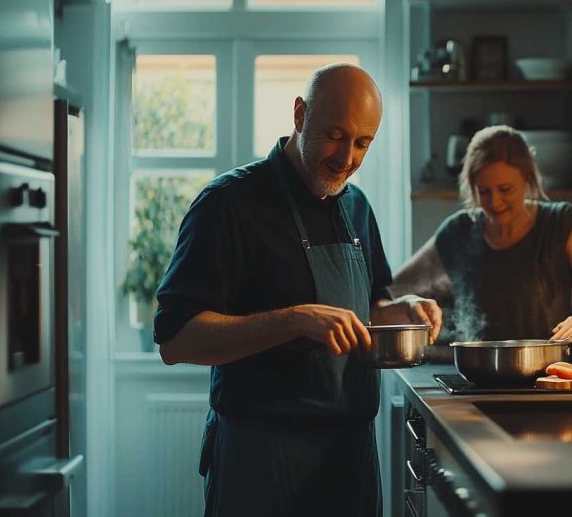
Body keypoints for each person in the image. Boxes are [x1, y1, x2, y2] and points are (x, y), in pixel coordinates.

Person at [153, 63, 442, 517]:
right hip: (262, 460)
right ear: (300, 115)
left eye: (363, 142)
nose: (347, 158)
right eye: (335, 135)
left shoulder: (356, 205)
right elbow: (175, 341)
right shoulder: (228, 205)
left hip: (350, 458)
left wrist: (402, 310)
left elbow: (371, 307)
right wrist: (294, 319)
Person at [392, 125, 572, 345]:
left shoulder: (559, 224)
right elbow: (393, 289)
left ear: (527, 178)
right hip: (475, 376)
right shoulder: (458, 231)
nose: (495, 201)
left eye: (505, 189)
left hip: (548, 377)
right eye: (484, 191)